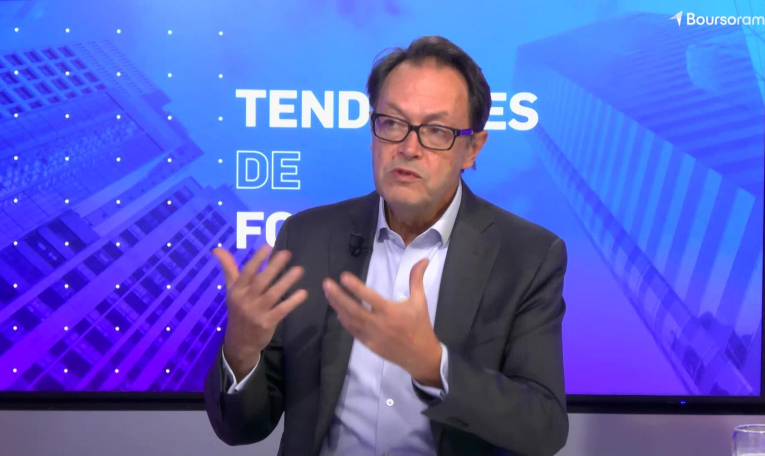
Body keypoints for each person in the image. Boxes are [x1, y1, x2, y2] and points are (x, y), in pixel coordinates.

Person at [204, 35, 569, 456]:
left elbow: (542, 428)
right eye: (392, 123)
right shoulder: (307, 237)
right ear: (373, 132)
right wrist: (241, 350)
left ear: (472, 148)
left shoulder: (527, 256)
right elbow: (242, 429)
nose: (408, 148)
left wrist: (433, 366)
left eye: (436, 131)